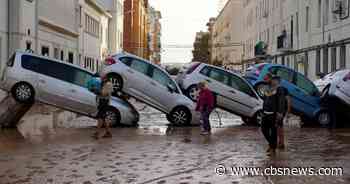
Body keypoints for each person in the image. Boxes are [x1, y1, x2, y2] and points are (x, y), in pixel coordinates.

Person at [261, 74, 288, 154]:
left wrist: (280, 112)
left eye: (266, 79)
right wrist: (263, 111)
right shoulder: (266, 88)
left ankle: (272, 148)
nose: (265, 81)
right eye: (264, 79)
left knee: (273, 131)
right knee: (263, 129)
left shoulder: (279, 89)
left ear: (271, 79)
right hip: (265, 113)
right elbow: (265, 100)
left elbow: (281, 101)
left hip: (274, 113)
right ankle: (272, 144)